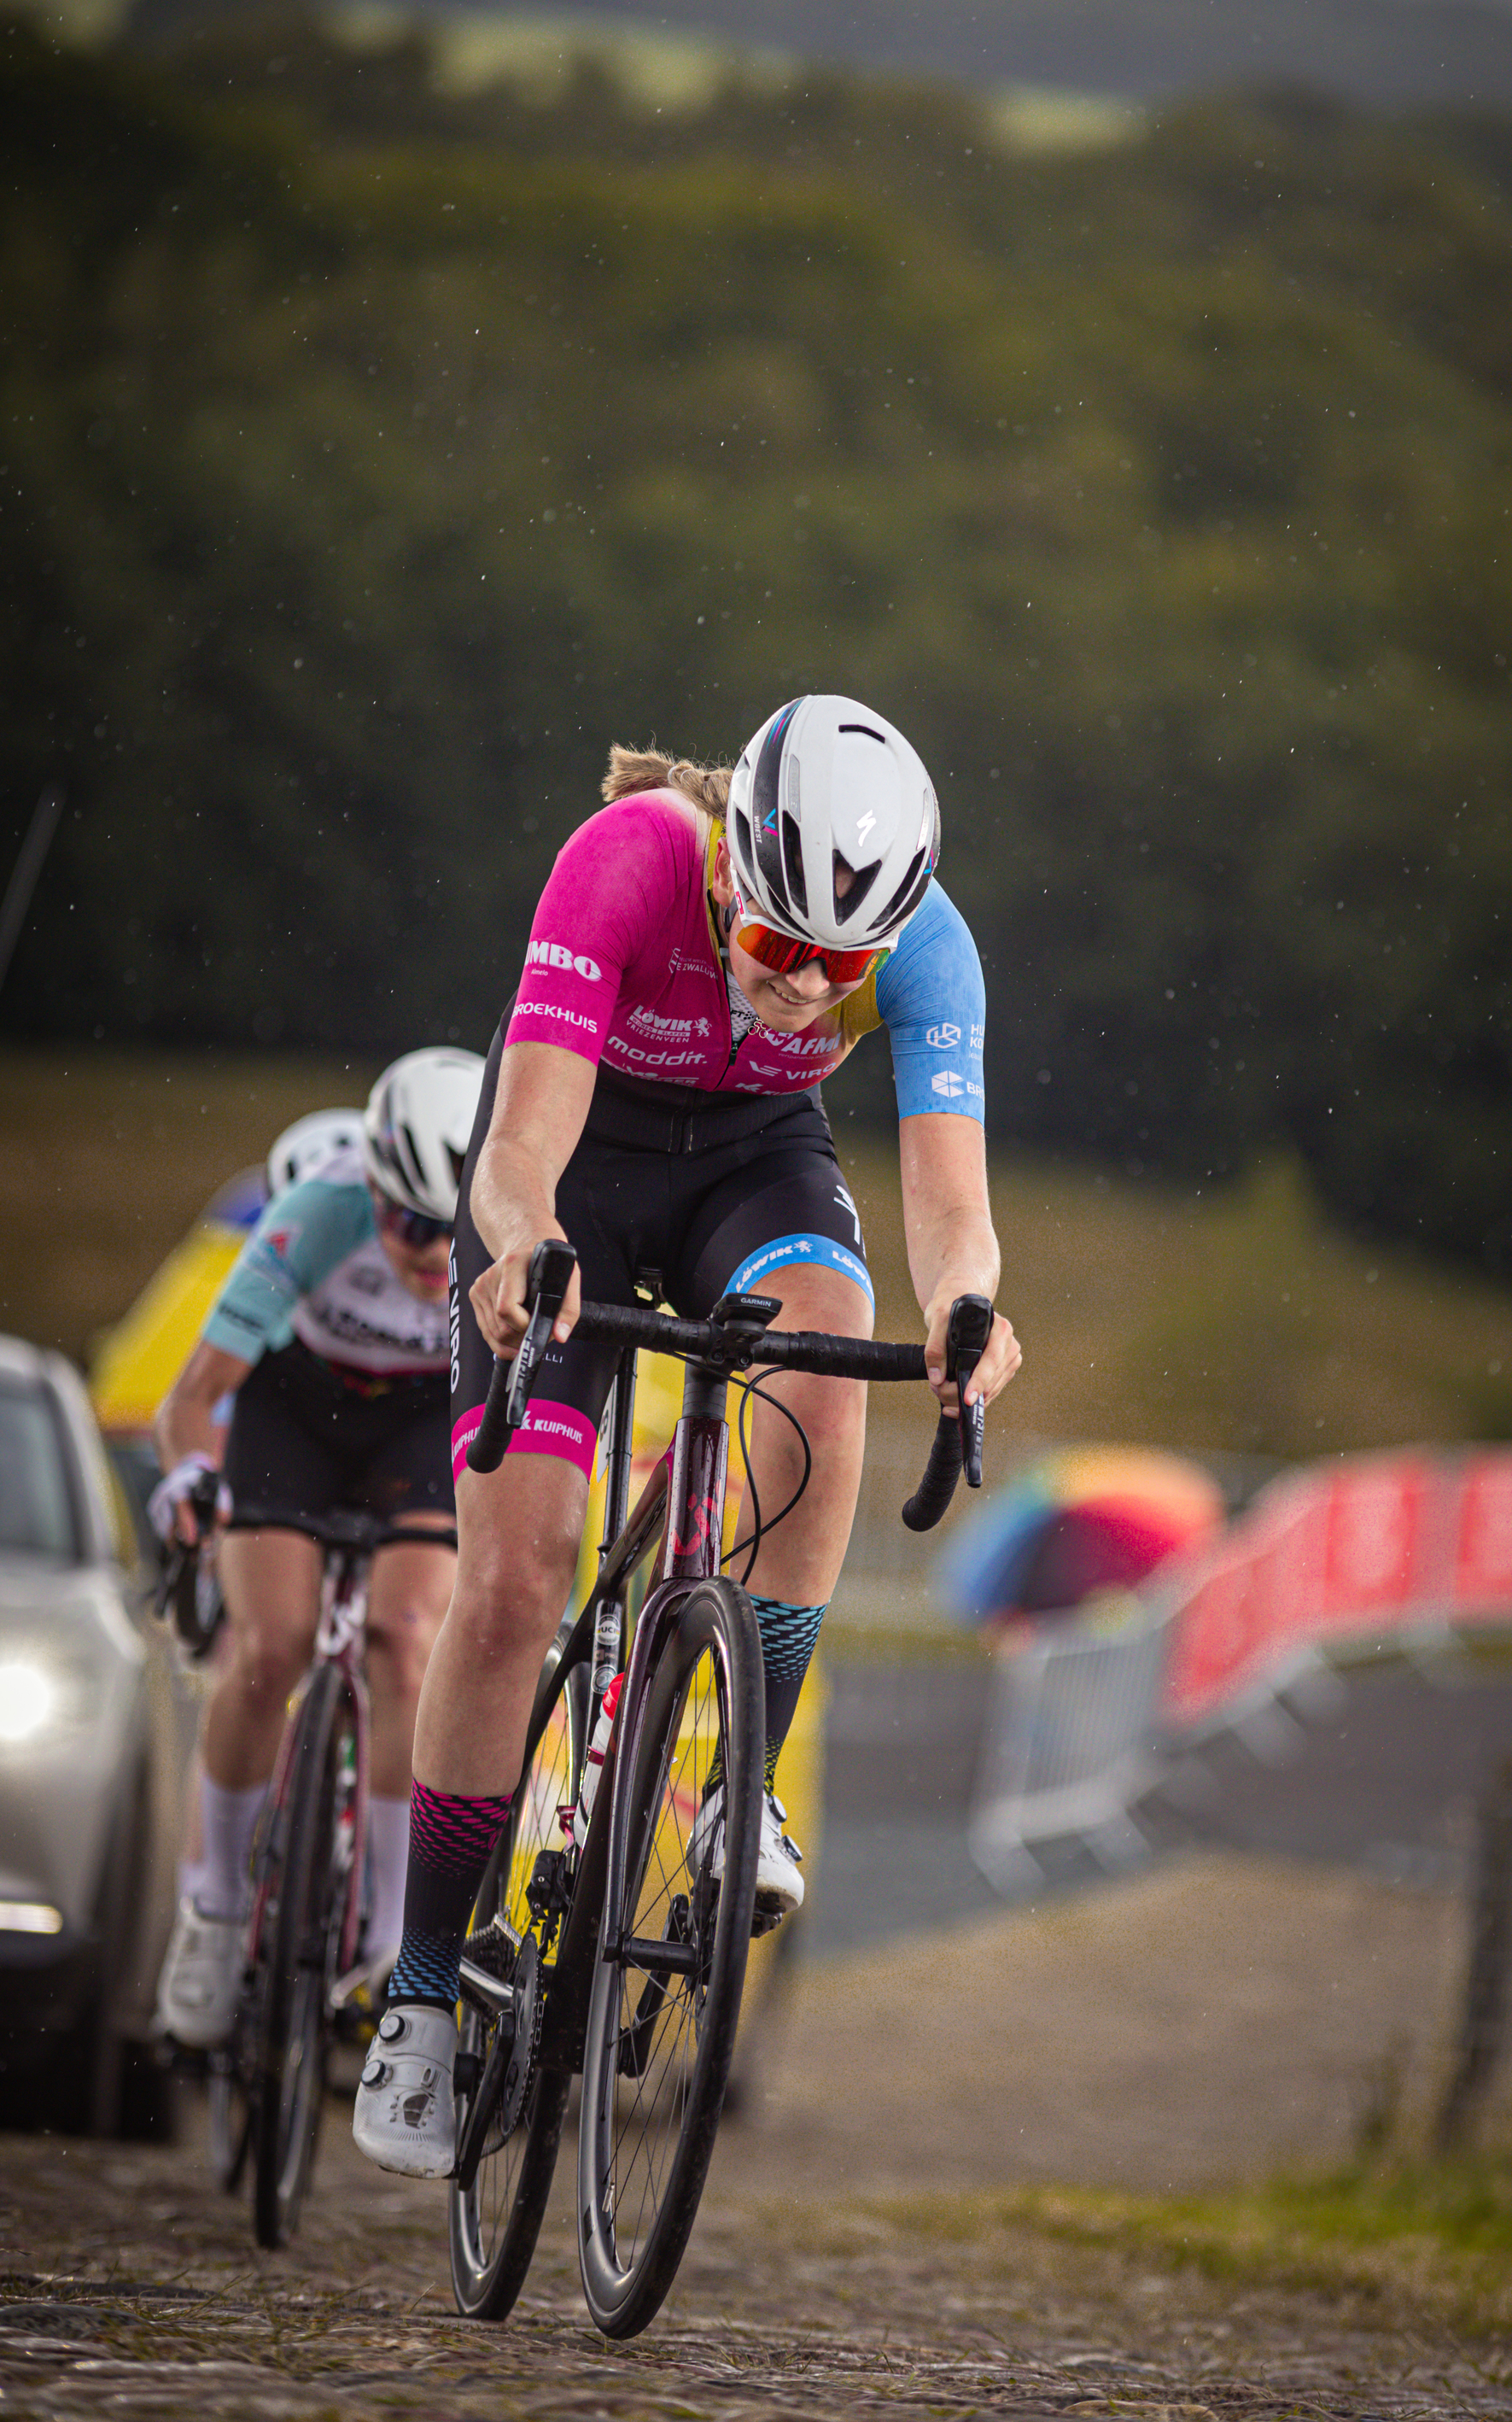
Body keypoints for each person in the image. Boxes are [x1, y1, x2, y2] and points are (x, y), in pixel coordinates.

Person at [353, 694, 1021, 2175]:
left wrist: (972, 1309)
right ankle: (416, 1989)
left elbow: (953, 1213)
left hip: (751, 1171)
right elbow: (519, 1146)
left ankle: (735, 1795)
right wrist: (525, 1248)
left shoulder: (926, 946)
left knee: (826, 1381)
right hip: (575, 1161)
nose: (800, 991)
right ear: (732, 869)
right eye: (776, 945)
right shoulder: (633, 859)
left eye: (835, 971)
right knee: (517, 1579)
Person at [150, 1049, 483, 2049]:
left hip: (420, 1420)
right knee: (270, 1647)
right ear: (373, 1186)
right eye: (409, 1225)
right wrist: (186, 1478)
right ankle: (209, 1915)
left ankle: (388, 1941)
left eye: (452, 1230)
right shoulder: (317, 1214)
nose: (431, 1255)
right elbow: (193, 1400)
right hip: (295, 1406)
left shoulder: (510, 1221)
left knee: (405, 1645)